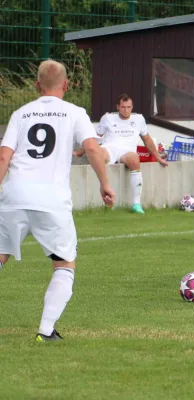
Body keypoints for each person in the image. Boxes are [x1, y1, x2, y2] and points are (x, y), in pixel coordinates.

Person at [0, 60, 116, 341]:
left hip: (13, 194)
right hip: (51, 199)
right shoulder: (75, 112)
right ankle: (45, 331)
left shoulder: (21, 113)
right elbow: (92, 149)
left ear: (36, 85)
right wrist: (105, 184)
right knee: (63, 264)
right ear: (67, 85)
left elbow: (4, 156)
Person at [73, 94, 167, 214]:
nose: (126, 110)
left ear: (132, 107)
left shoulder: (139, 119)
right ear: (118, 107)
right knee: (99, 154)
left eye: (128, 107)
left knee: (134, 159)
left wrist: (158, 157)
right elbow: (94, 139)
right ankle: (105, 194)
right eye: (123, 107)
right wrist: (80, 152)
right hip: (109, 148)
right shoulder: (107, 118)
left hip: (127, 151)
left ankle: (136, 204)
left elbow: (147, 140)